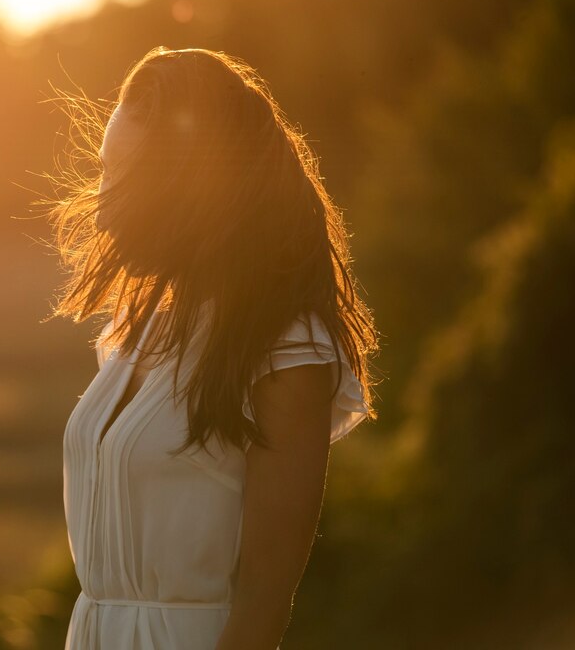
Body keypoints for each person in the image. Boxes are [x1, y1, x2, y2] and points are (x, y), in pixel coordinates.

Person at [41, 46, 381, 650]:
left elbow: (264, 604)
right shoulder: (138, 331)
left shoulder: (287, 349)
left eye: (122, 177)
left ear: (185, 186)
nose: (100, 207)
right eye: (103, 172)